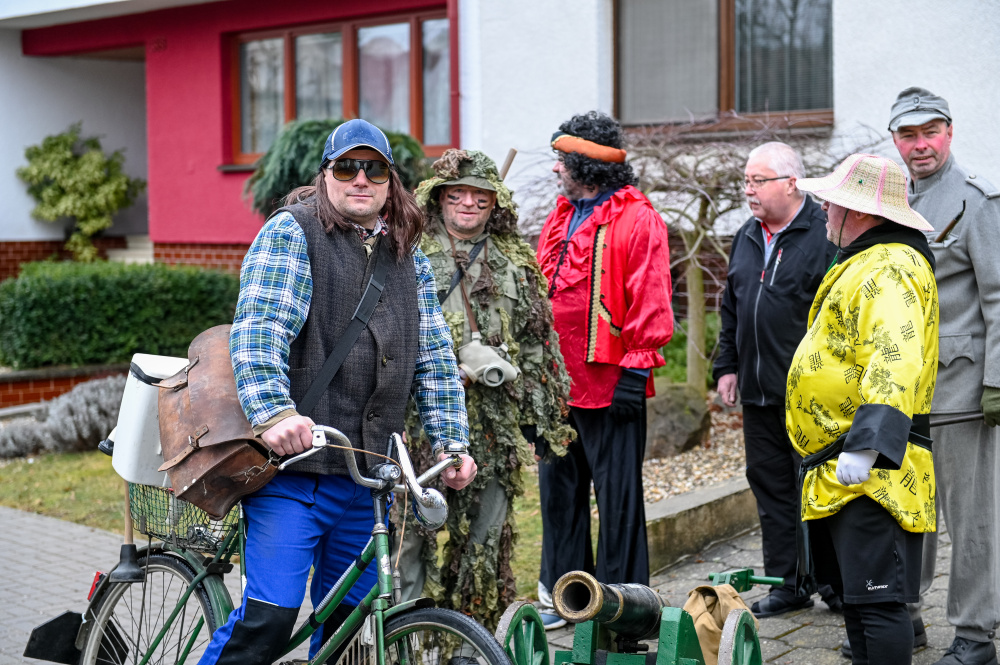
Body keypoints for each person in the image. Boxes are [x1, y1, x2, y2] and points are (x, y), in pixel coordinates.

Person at [198, 119, 477, 665]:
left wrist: (451, 443)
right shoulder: (292, 233)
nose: (360, 179)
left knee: (347, 631)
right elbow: (259, 331)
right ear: (326, 174)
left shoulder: (408, 255)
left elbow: (434, 356)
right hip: (293, 473)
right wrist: (274, 413)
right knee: (269, 621)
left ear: (391, 181)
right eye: (347, 167)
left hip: (367, 478)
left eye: (374, 169)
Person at [395, 149, 575, 631]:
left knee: (486, 540)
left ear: (496, 204)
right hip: (421, 421)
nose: (469, 204)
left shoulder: (515, 261)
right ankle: (403, 636)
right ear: (439, 198)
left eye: (481, 197)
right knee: (409, 533)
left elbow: (537, 343)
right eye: (458, 194)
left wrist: (539, 421)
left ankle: (471, 643)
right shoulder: (408, 253)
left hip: (494, 425)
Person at [788, 153, 938, 665]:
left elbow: (895, 355)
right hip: (843, 464)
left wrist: (869, 445)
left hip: (872, 471)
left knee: (878, 604)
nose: (823, 208)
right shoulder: (869, 259)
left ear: (859, 211)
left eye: (833, 201)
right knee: (858, 601)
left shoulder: (890, 265)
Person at [535, 110, 674, 628]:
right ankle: (567, 598)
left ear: (586, 165)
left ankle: (622, 609)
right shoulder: (559, 215)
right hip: (557, 386)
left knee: (617, 502)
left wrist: (635, 375)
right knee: (558, 496)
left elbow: (652, 297)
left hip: (612, 385)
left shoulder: (639, 218)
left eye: (561, 160)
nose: (555, 169)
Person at [889, 86, 1000, 665]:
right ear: (895, 141)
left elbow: (999, 296)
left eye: (930, 132)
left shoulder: (977, 199)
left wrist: (997, 379)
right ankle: (904, 617)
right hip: (904, 388)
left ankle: (975, 635)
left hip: (962, 385)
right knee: (909, 509)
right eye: (908, 135)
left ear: (949, 132)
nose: (921, 145)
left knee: (970, 518)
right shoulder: (893, 198)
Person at [714, 142, 841, 618]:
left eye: (759, 181)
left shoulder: (823, 234)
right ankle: (789, 585)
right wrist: (726, 366)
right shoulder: (746, 235)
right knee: (771, 490)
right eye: (746, 181)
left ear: (791, 183)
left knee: (820, 490)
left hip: (810, 395)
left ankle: (835, 585)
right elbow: (731, 308)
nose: (749, 190)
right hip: (758, 393)